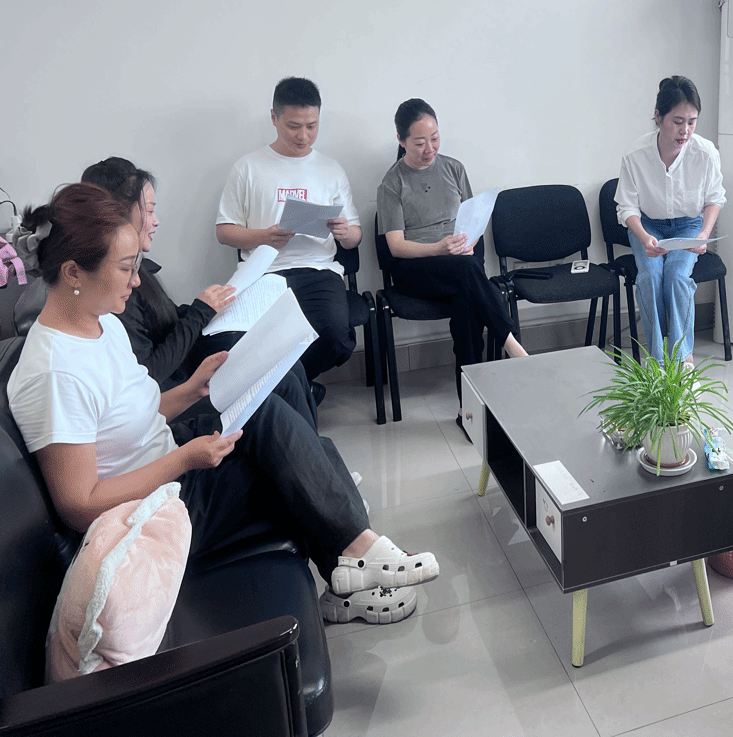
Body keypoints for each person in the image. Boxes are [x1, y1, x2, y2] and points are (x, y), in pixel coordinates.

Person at [7, 184, 438, 626]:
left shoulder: (100, 323)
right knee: (293, 468)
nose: (136, 280)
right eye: (125, 268)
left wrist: (193, 388)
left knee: (277, 419)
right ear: (73, 273)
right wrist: (183, 460)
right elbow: (79, 504)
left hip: (163, 460)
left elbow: (132, 413)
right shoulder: (54, 374)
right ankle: (355, 560)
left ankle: (353, 559)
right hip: (150, 509)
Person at [81, 156, 318, 428]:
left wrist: (212, 307)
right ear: (120, 213)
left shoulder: (138, 270)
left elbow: (163, 323)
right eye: (149, 211)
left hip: (188, 371)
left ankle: (315, 451)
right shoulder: (116, 288)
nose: (156, 221)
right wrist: (200, 312)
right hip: (177, 393)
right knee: (282, 382)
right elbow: (151, 373)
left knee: (288, 366)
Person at [377, 99, 527, 429]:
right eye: (420, 142)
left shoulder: (454, 168)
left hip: (458, 266)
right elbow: (395, 246)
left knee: (467, 304)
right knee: (468, 273)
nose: (429, 148)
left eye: (434, 138)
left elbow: (474, 218)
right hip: (414, 268)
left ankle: (467, 412)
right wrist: (437, 248)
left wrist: (468, 241)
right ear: (401, 140)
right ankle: (512, 344)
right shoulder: (392, 183)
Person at [216, 77, 361, 400]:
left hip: (319, 270)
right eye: (294, 126)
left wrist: (345, 233)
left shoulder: (331, 169)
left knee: (338, 338)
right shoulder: (248, 168)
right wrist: (263, 236)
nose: (303, 136)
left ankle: (284, 388)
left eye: (312, 126)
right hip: (265, 272)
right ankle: (293, 391)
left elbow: (354, 237)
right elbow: (224, 231)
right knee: (247, 343)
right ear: (274, 118)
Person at [614, 75, 726, 365]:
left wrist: (703, 234)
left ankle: (683, 358)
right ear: (658, 116)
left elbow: (714, 198)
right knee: (650, 278)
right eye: (677, 121)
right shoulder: (636, 155)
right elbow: (626, 207)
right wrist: (643, 237)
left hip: (689, 225)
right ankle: (658, 360)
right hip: (648, 225)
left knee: (676, 277)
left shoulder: (705, 153)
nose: (685, 130)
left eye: (692, 122)